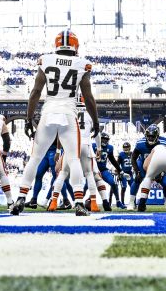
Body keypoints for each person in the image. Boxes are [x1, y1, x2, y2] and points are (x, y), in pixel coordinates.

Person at [10, 29, 99, 217]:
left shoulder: (46, 60)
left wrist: (28, 118)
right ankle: (78, 201)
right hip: (68, 114)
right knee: (73, 159)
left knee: (35, 158)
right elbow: (88, 98)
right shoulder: (82, 64)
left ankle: (21, 197)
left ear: (57, 44)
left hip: (48, 112)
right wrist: (96, 121)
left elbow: (35, 92)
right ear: (75, 45)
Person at [95, 133, 123, 210]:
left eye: (106, 139)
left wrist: (120, 170)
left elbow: (112, 160)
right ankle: (77, 202)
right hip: (93, 170)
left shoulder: (110, 147)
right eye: (103, 139)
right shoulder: (93, 145)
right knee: (87, 186)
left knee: (113, 183)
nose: (104, 140)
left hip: (103, 169)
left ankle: (118, 201)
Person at [115, 142, 134, 209]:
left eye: (127, 147)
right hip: (123, 173)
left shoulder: (132, 154)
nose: (126, 149)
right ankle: (122, 203)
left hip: (130, 173)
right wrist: (119, 174)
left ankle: (133, 203)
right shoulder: (121, 154)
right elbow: (117, 165)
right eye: (125, 147)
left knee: (133, 187)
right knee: (124, 187)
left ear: (129, 147)